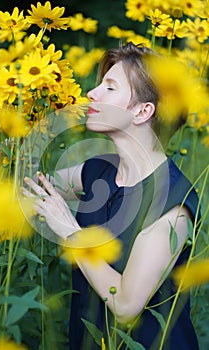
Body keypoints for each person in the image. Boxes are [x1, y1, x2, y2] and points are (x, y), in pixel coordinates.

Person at [22, 42, 200, 349]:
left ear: (143, 111)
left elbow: (127, 305)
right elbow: (35, 188)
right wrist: (7, 156)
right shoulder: (98, 170)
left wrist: (69, 232)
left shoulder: (173, 205)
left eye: (110, 87)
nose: (92, 93)